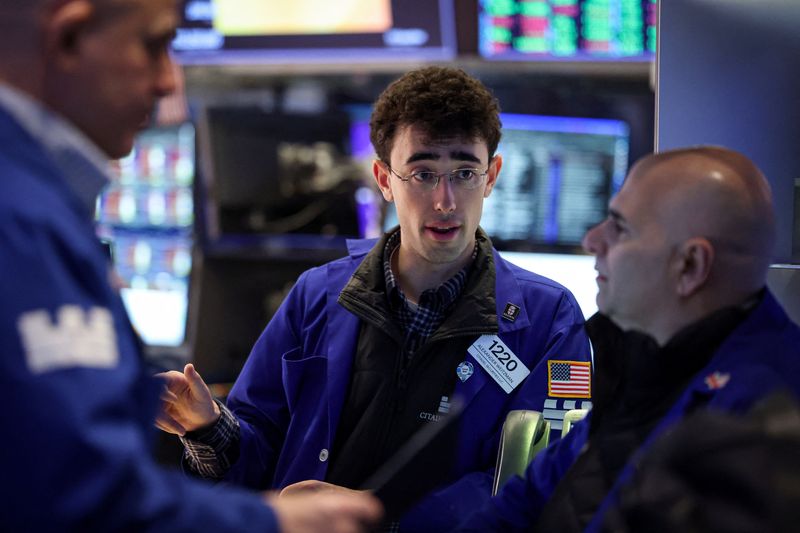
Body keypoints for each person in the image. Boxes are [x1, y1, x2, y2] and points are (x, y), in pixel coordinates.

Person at [0, 1, 381, 531]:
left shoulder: (38, 204)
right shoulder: (20, 220)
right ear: (69, 39)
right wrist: (271, 522)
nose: (168, 83)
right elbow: (79, 495)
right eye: (154, 46)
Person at [157, 66, 592, 531]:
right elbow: (256, 455)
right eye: (423, 174)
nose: (445, 201)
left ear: (492, 176)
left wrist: (382, 516)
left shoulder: (551, 318)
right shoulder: (316, 296)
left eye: (465, 173)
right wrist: (209, 427)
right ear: (384, 178)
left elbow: (548, 480)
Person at [455, 146, 800, 532]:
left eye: (620, 227)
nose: (592, 240)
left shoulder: (763, 421)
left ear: (690, 266)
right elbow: (526, 501)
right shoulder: (649, 362)